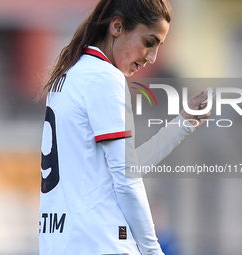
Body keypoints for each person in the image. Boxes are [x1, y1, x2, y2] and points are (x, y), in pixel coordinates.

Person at [38, 0, 210, 254]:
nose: (152, 57)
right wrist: (153, 250)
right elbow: (127, 180)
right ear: (117, 26)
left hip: (60, 243)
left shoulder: (69, 75)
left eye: (159, 47)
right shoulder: (105, 79)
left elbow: (123, 169)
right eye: (149, 42)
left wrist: (182, 124)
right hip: (99, 243)